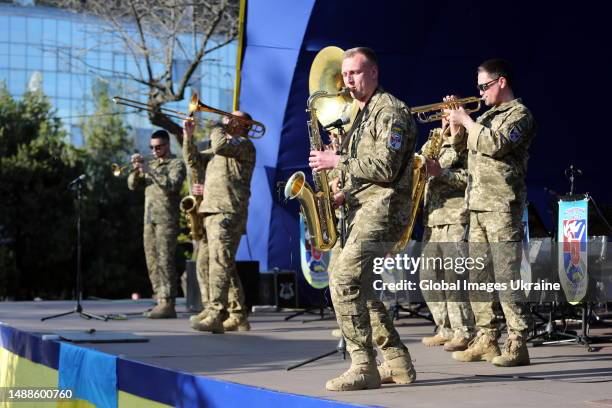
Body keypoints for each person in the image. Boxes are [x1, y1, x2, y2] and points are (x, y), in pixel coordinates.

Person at [309, 47, 416, 391]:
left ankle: (363, 364)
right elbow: (363, 168)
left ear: (373, 73)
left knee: (343, 278)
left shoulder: (392, 112)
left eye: (354, 73)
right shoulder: (360, 112)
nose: (347, 80)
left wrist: (335, 161)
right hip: (359, 208)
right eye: (345, 73)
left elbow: (385, 168)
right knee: (362, 287)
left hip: (383, 210)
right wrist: (341, 192)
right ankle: (397, 361)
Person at [446, 59, 536, 366]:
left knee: (506, 276)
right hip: (477, 205)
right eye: (478, 87)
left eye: (485, 86)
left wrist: (469, 122)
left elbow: (496, 144)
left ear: (501, 82)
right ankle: (486, 338)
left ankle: (518, 342)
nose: (480, 92)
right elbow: (461, 152)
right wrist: (456, 127)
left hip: (501, 207)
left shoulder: (520, 115)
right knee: (478, 277)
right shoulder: (485, 116)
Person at [182, 112, 256, 334]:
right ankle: (237, 315)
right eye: (226, 117)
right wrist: (188, 137)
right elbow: (194, 160)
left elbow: (221, 145)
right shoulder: (220, 146)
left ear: (245, 125)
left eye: (232, 118)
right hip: (210, 211)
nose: (227, 120)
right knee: (211, 263)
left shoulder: (244, 145)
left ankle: (216, 313)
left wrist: (216, 125)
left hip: (228, 211)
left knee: (220, 263)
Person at [419, 119, 475, 352]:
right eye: (443, 113)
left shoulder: (467, 143)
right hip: (432, 219)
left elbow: (472, 179)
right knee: (428, 277)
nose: (446, 118)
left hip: (455, 217)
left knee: (455, 278)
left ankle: (465, 332)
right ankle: (445, 328)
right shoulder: (435, 141)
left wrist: (442, 173)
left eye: (451, 113)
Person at [128, 130, 186, 318]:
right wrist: (137, 169)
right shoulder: (150, 163)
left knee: (165, 260)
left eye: (158, 147)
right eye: (151, 147)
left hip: (166, 220)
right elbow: (131, 185)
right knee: (152, 261)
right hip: (149, 219)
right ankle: (160, 300)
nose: (154, 150)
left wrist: (150, 171)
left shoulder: (176, 164)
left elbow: (173, 185)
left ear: (167, 145)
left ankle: (169, 302)